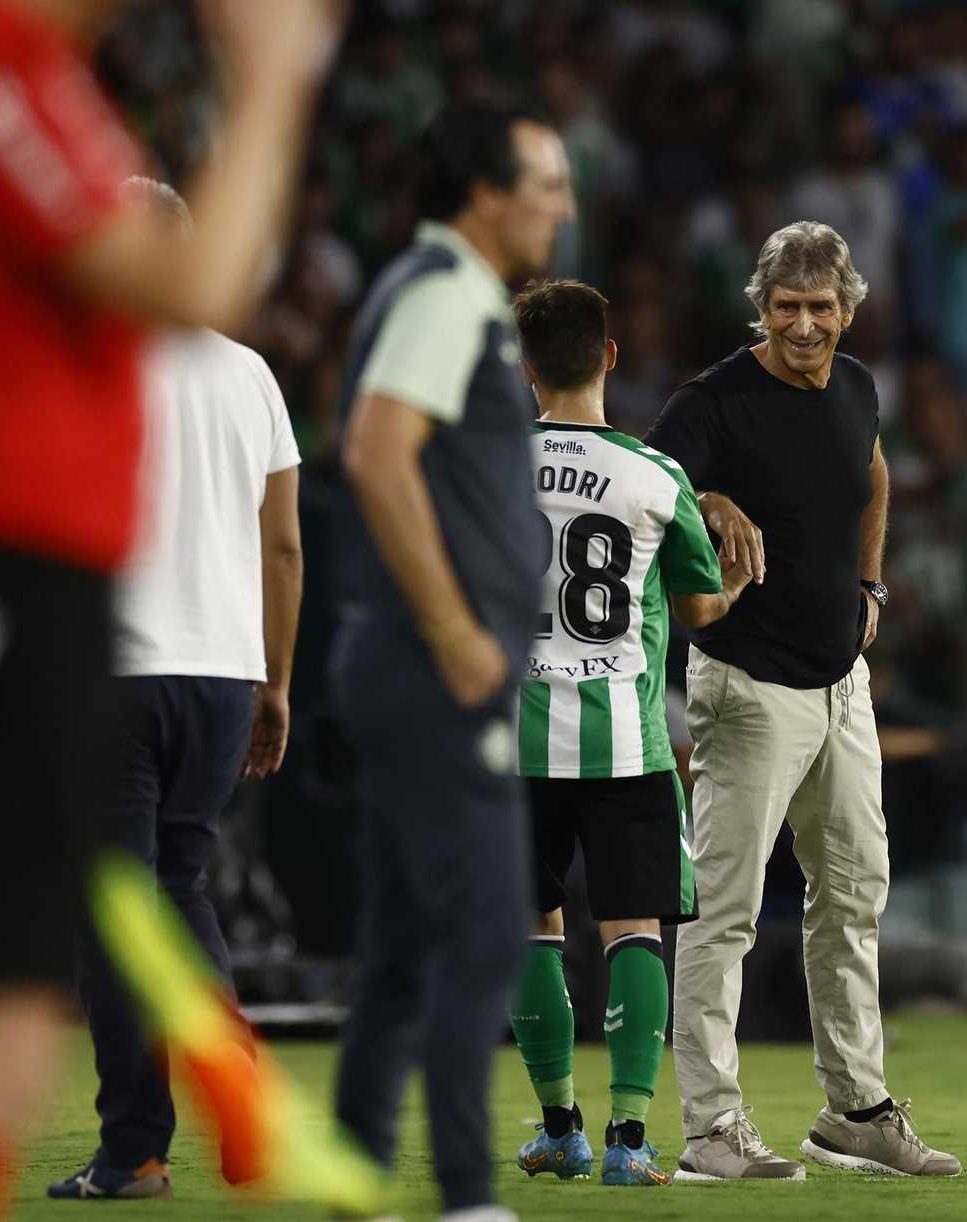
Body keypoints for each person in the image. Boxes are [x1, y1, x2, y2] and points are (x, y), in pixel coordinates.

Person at [0, 1, 342, 1219]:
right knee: (48, 964)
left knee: (15, 996)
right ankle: (220, 1086)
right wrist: (272, 79)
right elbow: (200, 289)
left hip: (73, 618)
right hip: (34, 597)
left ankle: (172, 1121)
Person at [646, 221, 961, 1180]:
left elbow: (871, 471)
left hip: (840, 686)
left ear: (848, 308)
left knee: (857, 891)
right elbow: (651, 479)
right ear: (762, 308)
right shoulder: (714, 402)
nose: (805, 325)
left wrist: (871, 590)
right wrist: (710, 503)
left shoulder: (858, 387)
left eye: (821, 307)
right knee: (725, 913)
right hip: (746, 685)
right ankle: (710, 1129)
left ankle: (856, 1111)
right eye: (786, 307)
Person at [331, 98, 575, 1222]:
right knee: (485, 935)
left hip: (398, 662)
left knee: (397, 955)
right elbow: (378, 453)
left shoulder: (430, 288)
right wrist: (452, 626)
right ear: (485, 195)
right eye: (546, 185)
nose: (562, 207)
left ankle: (353, 1183)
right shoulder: (444, 294)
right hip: (434, 670)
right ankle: (467, 1198)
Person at [48, 181, 304, 1201]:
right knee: (179, 885)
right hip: (223, 674)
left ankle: (140, 1146)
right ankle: (173, 1123)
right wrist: (275, 682)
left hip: (116, 668)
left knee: (120, 911)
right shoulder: (251, 376)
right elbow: (281, 543)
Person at [503, 280, 751, 1189]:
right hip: (627, 746)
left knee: (529, 927)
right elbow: (699, 609)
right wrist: (742, 581)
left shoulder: (485, 466)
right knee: (635, 928)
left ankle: (558, 1128)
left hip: (518, 742)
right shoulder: (655, 476)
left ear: (526, 370)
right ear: (609, 357)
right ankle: (629, 1143)